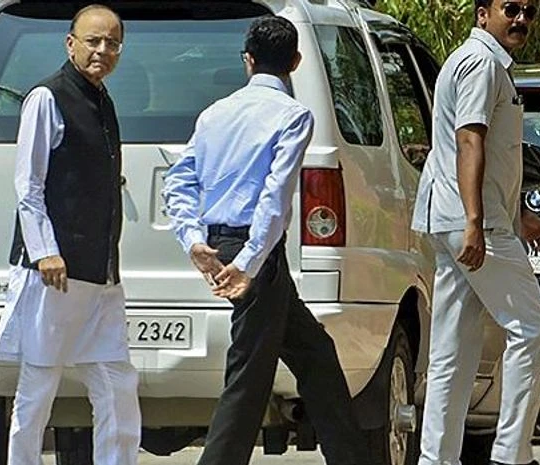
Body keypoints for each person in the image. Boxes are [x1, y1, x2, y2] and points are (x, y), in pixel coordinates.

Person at [163, 15, 369, 465]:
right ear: (295, 62)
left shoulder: (214, 113)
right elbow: (274, 197)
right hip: (255, 252)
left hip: (227, 245)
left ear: (248, 60)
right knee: (249, 375)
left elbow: (179, 181)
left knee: (315, 353)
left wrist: (193, 239)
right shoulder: (293, 116)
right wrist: (249, 263)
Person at [0, 5, 140, 465]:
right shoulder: (47, 97)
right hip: (55, 271)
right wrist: (44, 251)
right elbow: (28, 184)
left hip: (101, 273)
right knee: (39, 383)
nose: (102, 50)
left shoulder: (103, 100)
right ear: (71, 43)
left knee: (116, 380)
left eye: (112, 43)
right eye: (93, 41)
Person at [411, 2, 540, 465]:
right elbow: (469, 139)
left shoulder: (484, 62)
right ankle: (512, 455)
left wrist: (518, 215)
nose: (521, 19)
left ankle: (437, 459)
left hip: (461, 220)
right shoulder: (481, 62)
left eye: (529, 11)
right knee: (533, 328)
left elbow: (493, 154)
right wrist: (476, 221)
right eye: (510, 8)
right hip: (475, 225)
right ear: (482, 14)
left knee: (452, 351)